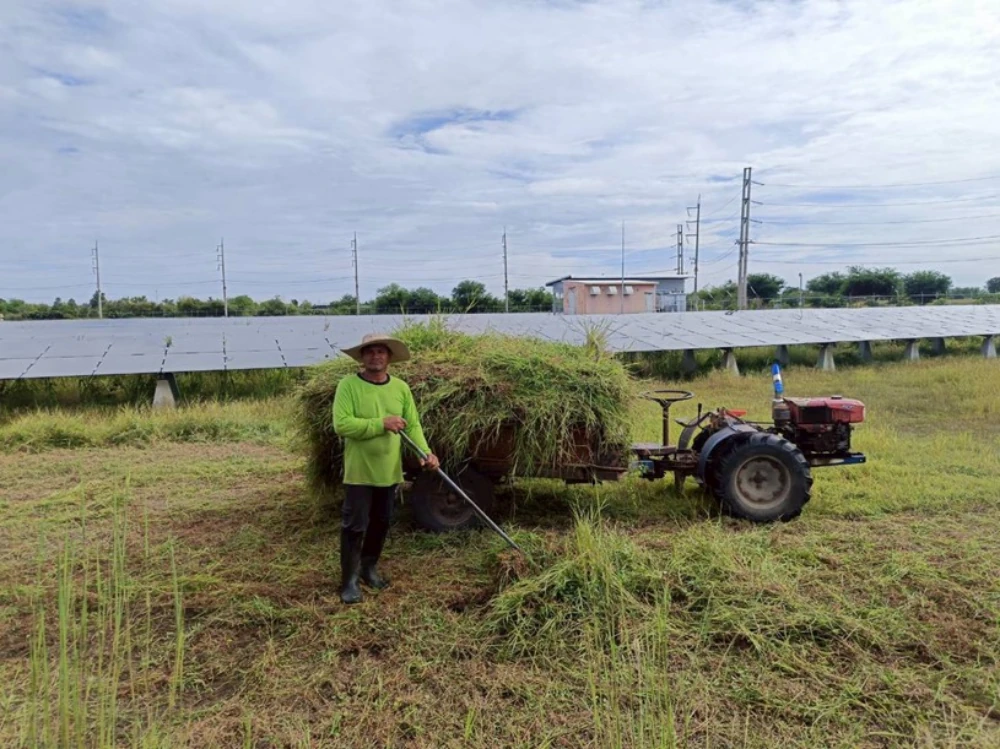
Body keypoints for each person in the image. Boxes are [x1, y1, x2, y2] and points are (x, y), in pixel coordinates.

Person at [332, 333, 440, 604]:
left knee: (381, 523)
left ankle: (369, 569)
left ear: (389, 357)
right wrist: (381, 423)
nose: (375, 356)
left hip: (389, 472)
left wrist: (424, 452)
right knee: (355, 525)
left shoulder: (401, 388)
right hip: (359, 472)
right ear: (362, 357)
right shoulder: (348, 385)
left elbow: (412, 425)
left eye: (381, 351)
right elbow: (342, 424)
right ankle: (349, 580)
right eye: (369, 351)